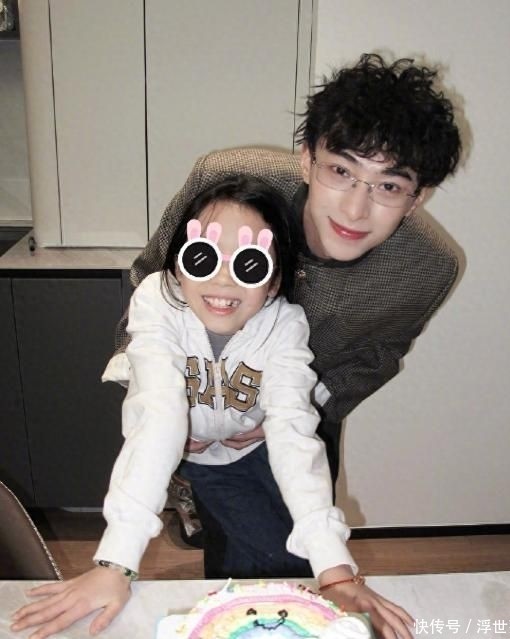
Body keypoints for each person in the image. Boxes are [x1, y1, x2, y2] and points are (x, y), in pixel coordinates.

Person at [11, 175, 414, 639]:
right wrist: (116, 562)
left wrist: (337, 572)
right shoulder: (157, 302)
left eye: (248, 264)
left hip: (256, 451)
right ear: (178, 265)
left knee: (276, 555)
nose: (223, 280)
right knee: (256, 555)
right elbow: (159, 417)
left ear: (274, 281)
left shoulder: (285, 326)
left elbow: (293, 433)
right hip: (195, 455)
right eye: (203, 258)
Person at [110, 52, 462, 485]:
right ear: (307, 159)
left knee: (303, 521)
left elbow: (379, 353)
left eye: (389, 186)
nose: (355, 210)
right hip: (183, 391)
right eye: (340, 170)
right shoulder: (223, 184)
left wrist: (305, 406)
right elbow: (151, 280)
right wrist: (155, 395)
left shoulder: (428, 268)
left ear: (417, 198)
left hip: (299, 412)